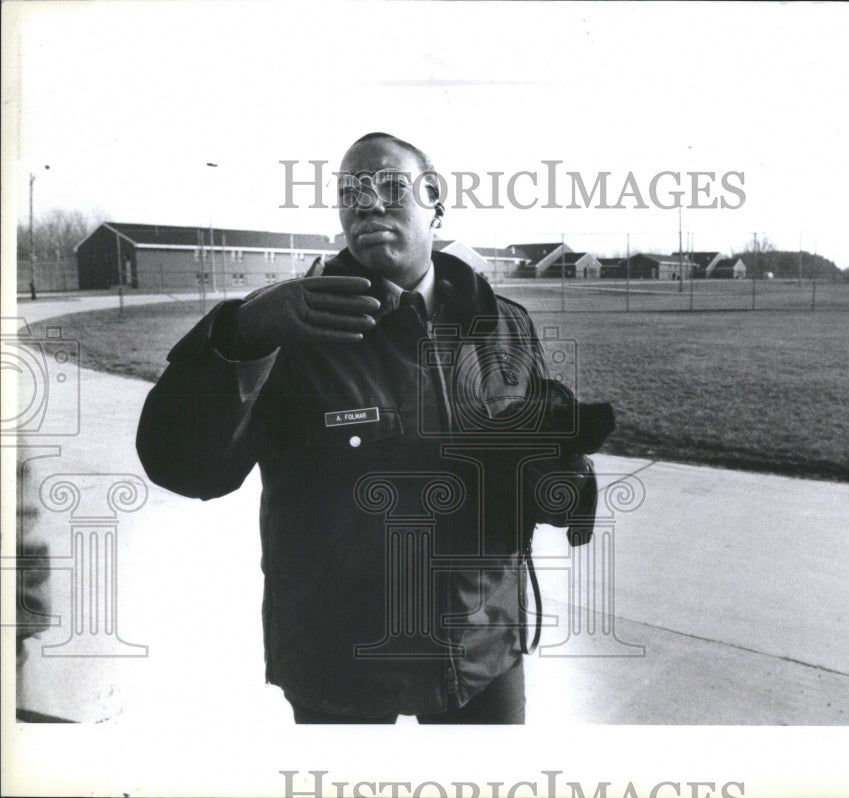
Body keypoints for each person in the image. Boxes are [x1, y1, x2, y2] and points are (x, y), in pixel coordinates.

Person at [136, 132, 601, 724]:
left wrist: (556, 482)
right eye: (350, 192)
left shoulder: (502, 325)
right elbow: (186, 466)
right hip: (339, 660)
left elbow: (532, 448)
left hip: (482, 648)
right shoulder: (286, 327)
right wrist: (236, 336)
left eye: (389, 186)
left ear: (436, 200)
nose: (368, 204)